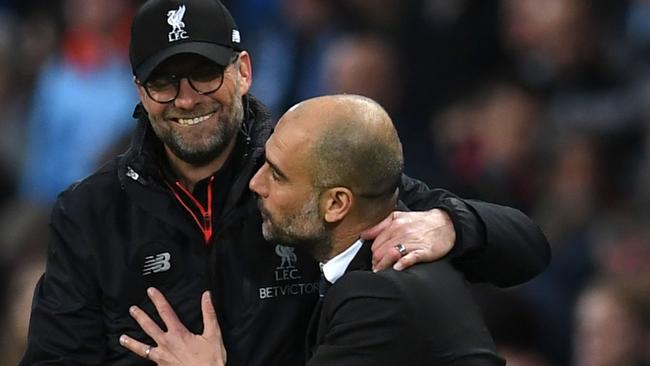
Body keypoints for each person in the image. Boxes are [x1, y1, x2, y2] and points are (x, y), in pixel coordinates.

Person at [20, 0, 550, 365]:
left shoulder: (306, 164)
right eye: (163, 81)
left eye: (203, 73)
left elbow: (526, 250)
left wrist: (450, 222)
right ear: (139, 90)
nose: (186, 98)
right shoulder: (90, 212)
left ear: (244, 71)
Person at [120, 94, 507, 365]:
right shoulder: (375, 259)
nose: (256, 184)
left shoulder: (378, 298)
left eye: (278, 175)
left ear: (336, 204)